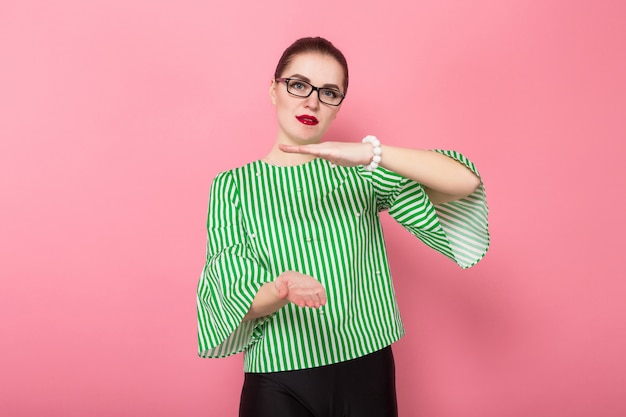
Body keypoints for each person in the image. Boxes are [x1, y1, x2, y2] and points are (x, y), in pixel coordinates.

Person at [196, 36, 490, 417]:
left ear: (338, 107)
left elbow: (464, 182)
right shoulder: (232, 186)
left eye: (329, 92)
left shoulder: (360, 172)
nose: (312, 101)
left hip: (366, 364)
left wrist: (371, 153)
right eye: (298, 85)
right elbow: (231, 294)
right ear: (274, 90)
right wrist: (280, 289)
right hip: (277, 373)